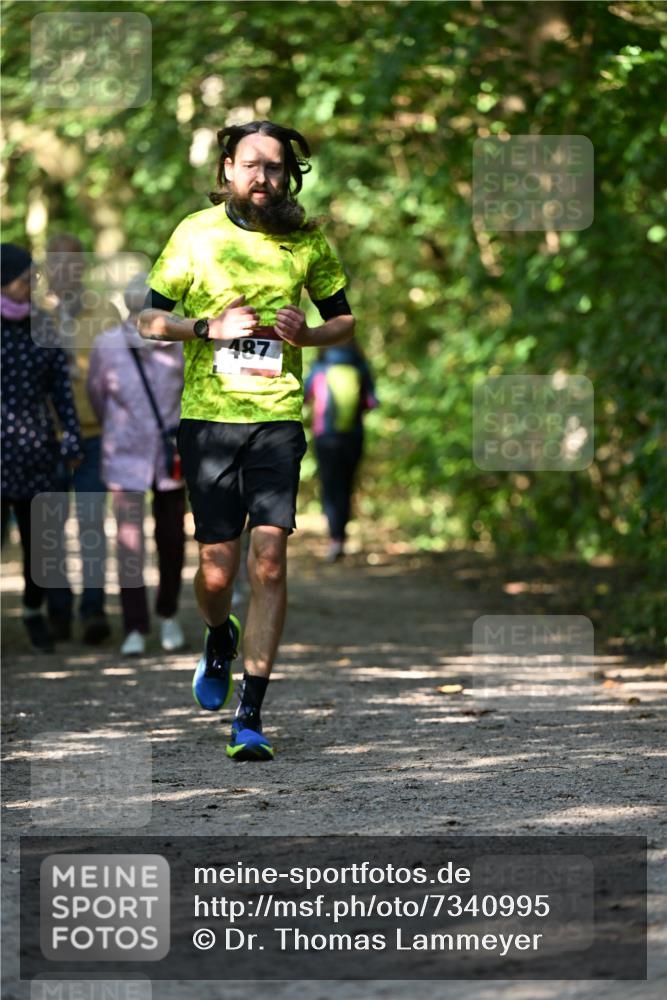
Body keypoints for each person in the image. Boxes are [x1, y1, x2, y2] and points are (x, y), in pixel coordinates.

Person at [138, 120, 355, 761]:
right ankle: (217, 634)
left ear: (289, 174)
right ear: (228, 169)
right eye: (253, 165)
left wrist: (308, 336)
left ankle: (250, 715)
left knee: (267, 561)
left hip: (277, 420)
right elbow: (149, 319)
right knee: (215, 572)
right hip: (208, 421)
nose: (266, 178)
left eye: (277, 167)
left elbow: (342, 319)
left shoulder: (307, 239)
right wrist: (209, 326)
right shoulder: (194, 234)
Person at [88, 273, 186, 656]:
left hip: (170, 455)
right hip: (125, 454)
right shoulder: (107, 346)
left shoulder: (179, 344)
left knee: (172, 539)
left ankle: (168, 614)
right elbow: (98, 395)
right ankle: (135, 625)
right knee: (130, 543)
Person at [1, 243, 83, 651]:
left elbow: (61, 390)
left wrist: (70, 435)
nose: (30, 285)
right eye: (23, 279)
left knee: (40, 545)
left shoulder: (43, 326)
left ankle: (35, 613)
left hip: (36, 452)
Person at [42, 234, 121, 644]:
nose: (64, 271)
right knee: (49, 527)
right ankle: (57, 610)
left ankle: (92, 612)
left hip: (95, 436)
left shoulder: (104, 312)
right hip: (47, 439)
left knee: (92, 523)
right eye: (56, 263)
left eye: (72, 263)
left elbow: (120, 372)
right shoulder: (32, 315)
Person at [304, 341, 378, 561]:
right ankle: (342, 537)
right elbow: (372, 402)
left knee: (330, 486)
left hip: (325, 435)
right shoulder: (360, 365)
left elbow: (306, 397)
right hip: (353, 435)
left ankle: (334, 538)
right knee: (347, 484)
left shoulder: (320, 366)